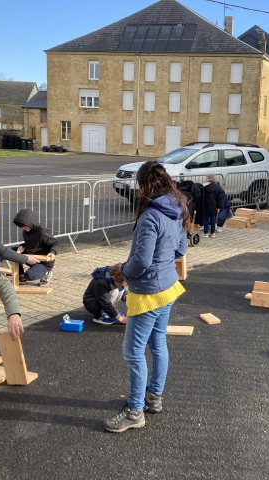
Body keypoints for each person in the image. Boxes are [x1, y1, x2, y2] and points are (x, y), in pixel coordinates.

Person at [104, 160, 189, 434]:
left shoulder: (151, 215)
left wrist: (123, 271)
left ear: (144, 185)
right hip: (168, 287)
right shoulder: (177, 207)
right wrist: (162, 262)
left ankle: (134, 411)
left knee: (133, 351)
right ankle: (153, 397)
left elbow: (139, 261)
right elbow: (180, 250)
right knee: (157, 343)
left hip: (149, 291)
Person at [12, 208, 59, 287]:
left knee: (30, 275)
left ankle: (46, 273)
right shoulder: (26, 232)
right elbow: (30, 243)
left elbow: (55, 243)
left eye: (23, 225)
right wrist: (22, 246)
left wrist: (53, 252)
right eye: (21, 226)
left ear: (29, 222)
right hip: (31, 256)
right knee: (11, 252)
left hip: (43, 262)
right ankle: (21, 276)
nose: (23, 228)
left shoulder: (42, 232)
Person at [201, 174, 220, 238]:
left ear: (207, 178)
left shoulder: (204, 186)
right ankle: (212, 233)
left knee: (206, 219)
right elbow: (218, 197)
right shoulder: (216, 186)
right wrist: (218, 206)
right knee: (213, 219)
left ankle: (205, 233)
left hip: (206, 204)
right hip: (214, 205)